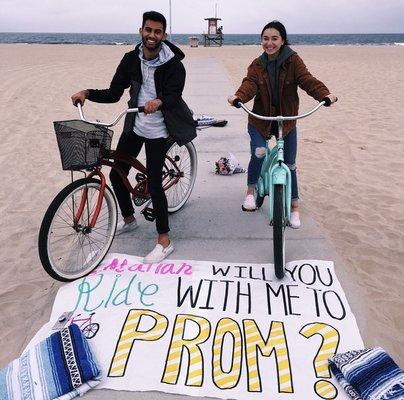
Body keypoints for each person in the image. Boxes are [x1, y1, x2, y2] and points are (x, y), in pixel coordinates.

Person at [71, 11, 196, 263]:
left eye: (157, 31)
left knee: (154, 181)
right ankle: (129, 219)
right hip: (135, 124)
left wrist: (159, 101)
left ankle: (164, 240)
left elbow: (174, 95)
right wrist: (87, 92)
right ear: (141, 31)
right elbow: (115, 93)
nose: (152, 35)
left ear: (164, 35)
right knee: (116, 174)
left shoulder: (173, 64)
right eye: (148, 30)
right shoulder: (130, 59)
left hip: (159, 129)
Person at [228, 20, 337, 228]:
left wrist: (324, 94)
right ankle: (250, 192)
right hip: (261, 120)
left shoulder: (293, 60)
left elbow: (306, 80)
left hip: (286, 121)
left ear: (283, 40)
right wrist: (238, 97)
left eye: (274, 38)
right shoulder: (257, 64)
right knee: (260, 151)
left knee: (290, 164)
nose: (269, 43)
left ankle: (295, 208)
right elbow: (249, 83)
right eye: (265, 39)